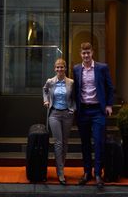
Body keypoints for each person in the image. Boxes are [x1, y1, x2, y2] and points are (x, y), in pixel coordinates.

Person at [73, 42, 114, 188]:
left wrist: (109, 105)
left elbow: (110, 87)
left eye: (88, 53)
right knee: (85, 144)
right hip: (83, 111)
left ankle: (97, 174)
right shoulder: (76, 69)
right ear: (80, 54)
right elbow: (75, 90)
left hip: (98, 111)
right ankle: (86, 173)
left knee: (98, 142)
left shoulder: (102, 68)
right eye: (83, 53)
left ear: (92, 53)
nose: (86, 55)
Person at [43, 58, 75, 185]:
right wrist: (46, 100)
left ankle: (61, 167)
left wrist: (73, 108)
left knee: (65, 143)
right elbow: (45, 90)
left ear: (65, 68)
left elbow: (75, 97)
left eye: (62, 67)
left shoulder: (71, 82)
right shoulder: (50, 82)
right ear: (54, 69)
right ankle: (60, 172)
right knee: (58, 143)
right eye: (57, 67)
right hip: (54, 114)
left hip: (67, 114)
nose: (60, 69)